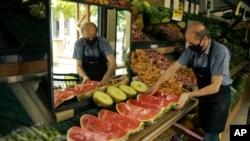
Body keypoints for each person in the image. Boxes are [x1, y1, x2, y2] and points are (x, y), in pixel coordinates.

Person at [148, 21, 232, 141]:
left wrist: (188, 94)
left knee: (211, 134)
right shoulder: (192, 50)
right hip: (203, 95)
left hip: (219, 98)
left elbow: (215, 87)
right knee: (205, 128)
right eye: (188, 43)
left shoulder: (220, 52)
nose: (189, 46)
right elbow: (172, 68)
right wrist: (157, 84)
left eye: (192, 43)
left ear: (205, 39)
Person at [73, 22, 117, 86]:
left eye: (93, 37)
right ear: (83, 34)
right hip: (86, 81)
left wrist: (106, 77)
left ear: (96, 33)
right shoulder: (78, 44)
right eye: (88, 38)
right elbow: (78, 66)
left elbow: (113, 64)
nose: (91, 40)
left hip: (103, 79)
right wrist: (85, 77)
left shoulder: (103, 42)